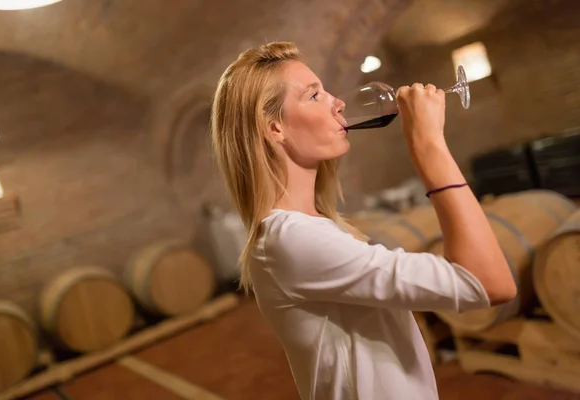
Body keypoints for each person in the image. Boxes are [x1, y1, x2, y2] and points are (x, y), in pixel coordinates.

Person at [210, 41, 516, 400]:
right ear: (274, 128)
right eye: (314, 96)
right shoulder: (292, 240)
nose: (338, 103)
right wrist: (429, 145)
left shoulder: (312, 227)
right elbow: (487, 284)